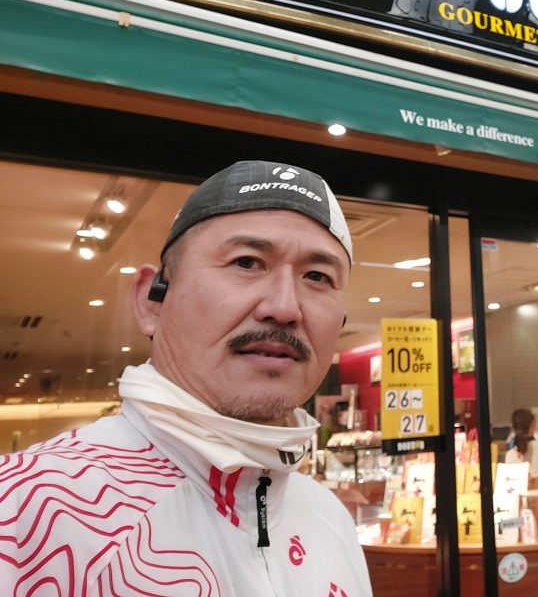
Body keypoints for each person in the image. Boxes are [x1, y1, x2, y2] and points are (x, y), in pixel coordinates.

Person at [0, 160, 372, 597]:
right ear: (152, 301)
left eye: (317, 276)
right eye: (247, 262)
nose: (285, 307)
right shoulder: (26, 510)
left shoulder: (330, 519)